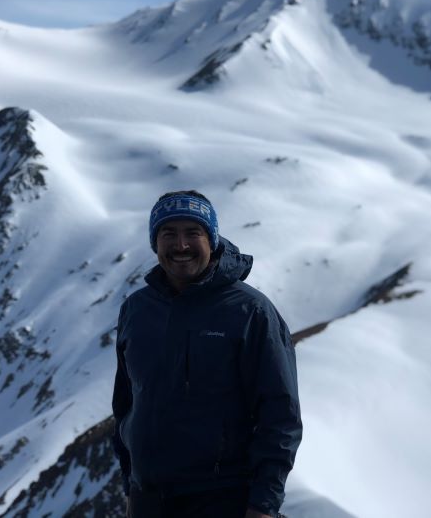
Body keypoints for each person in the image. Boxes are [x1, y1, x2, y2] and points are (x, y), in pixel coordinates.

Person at [112, 190, 302, 518]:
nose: (181, 245)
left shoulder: (250, 311)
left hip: (222, 499)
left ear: (211, 240)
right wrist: (131, 487)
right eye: (168, 234)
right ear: (154, 243)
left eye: (193, 233)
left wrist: (263, 505)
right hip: (149, 499)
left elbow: (280, 415)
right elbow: (127, 405)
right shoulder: (137, 310)